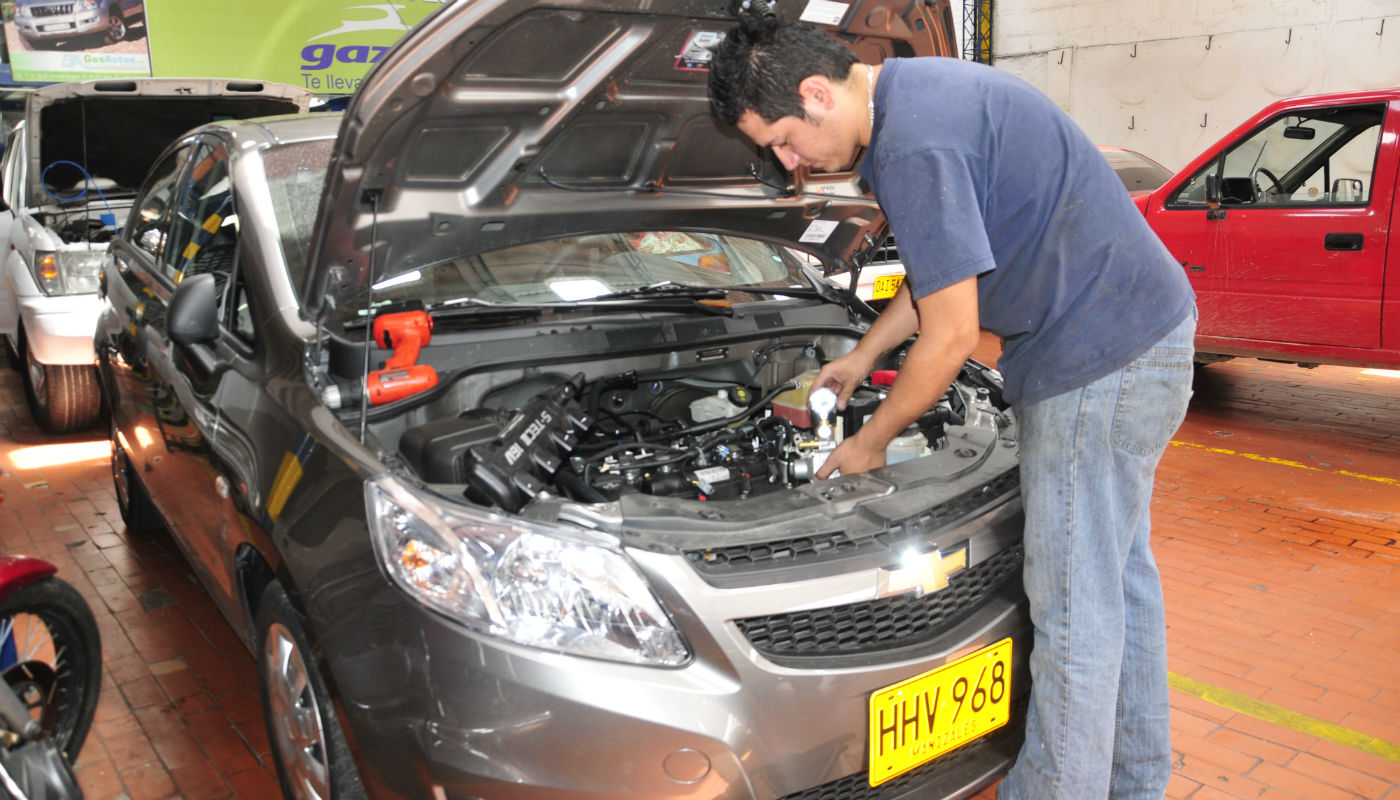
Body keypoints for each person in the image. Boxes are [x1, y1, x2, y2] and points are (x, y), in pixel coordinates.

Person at [707, 9, 1195, 800]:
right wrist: (863, 357)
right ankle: (1135, 781)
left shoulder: (914, 145)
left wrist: (872, 441)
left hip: (1097, 364)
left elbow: (953, 333)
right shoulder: (918, 100)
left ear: (817, 94)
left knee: (1075, 614)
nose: (790, 165)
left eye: (784, 142)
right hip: (1145, 335)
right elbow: (942, 271)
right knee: (1119, 584)